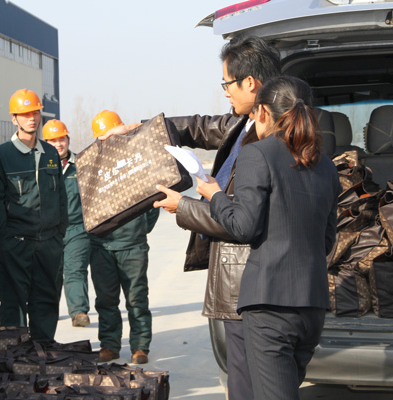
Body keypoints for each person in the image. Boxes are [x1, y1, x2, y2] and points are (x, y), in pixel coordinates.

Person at [100, 36, 281, 398]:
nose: (225, 92)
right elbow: (196, 126)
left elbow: (243, 222)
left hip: (248, 279)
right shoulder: (244, 123)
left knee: (250, 382)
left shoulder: (267, 144)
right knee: (243, 376)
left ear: (250, 83)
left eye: (227, 83)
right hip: (234, 275)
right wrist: (136, 129)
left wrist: (182, 206)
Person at [196, 76, 340, 400]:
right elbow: (326, 241)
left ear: (262, 112)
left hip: (269, 307)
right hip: (312, 306)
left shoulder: (257, 154)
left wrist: (215, 195)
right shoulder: (326, 166)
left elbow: (243, 227)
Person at [0, 89, 67, 341]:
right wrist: (4, 241)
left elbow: (61, 197)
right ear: (14, 119)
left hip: (49, 244)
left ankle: (44, 350)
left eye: (34, 113)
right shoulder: (2, 155)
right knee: (13, 304)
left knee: (47, 300)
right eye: (24, 114)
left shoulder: (51, 154)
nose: (31, 118)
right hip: (16, 243)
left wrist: (59, 234)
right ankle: (17, 354)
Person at [89, 110, 159, 365]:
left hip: (132, 246)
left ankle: (140, 347)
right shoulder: (91, 168)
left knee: (136, 299)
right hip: (102, 246)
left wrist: (139, 229)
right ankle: (110, 345)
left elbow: (152, 203)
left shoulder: (136, 164)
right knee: (106, 300)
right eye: (103, 137)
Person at [43, 119, 92, 328]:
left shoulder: (81, 164)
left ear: (68, 140)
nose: (58, 144)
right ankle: (48, 311)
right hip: (50, 230)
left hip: (77, 227)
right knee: (51, 272)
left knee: (75, 269)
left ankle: (78, 311)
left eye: (61, 139)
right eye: (53, 141)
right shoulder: (40, 166)